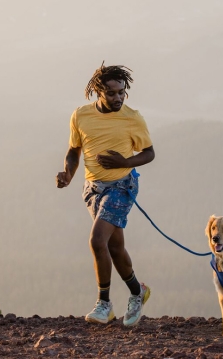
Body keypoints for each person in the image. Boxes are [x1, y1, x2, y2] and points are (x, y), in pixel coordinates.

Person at [56, 63, 155, 326]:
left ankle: (104, 304)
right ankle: (138, 292)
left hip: (122, 187)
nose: (118, 98)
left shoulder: (133, 118)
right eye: (111, 93)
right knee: (115, 247)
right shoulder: (81, 116)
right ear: (98, 91)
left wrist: (125, 163)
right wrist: (67, 174)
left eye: (122, 92)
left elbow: (149, 153)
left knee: (97, 240)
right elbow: (73, 150)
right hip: (93, 190)